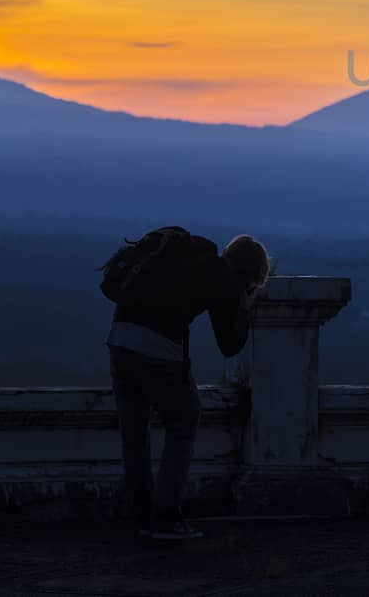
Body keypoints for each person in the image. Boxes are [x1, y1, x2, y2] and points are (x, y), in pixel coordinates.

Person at [105, 230, 270, 540]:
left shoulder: (193, 261)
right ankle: (166, 517)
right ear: (248, 274)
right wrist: (244, 306)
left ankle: (140, 513)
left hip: (119, 339)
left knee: (135, 434)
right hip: (158, 349)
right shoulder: (222, 279)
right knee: (184, 418)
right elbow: (229, 344)